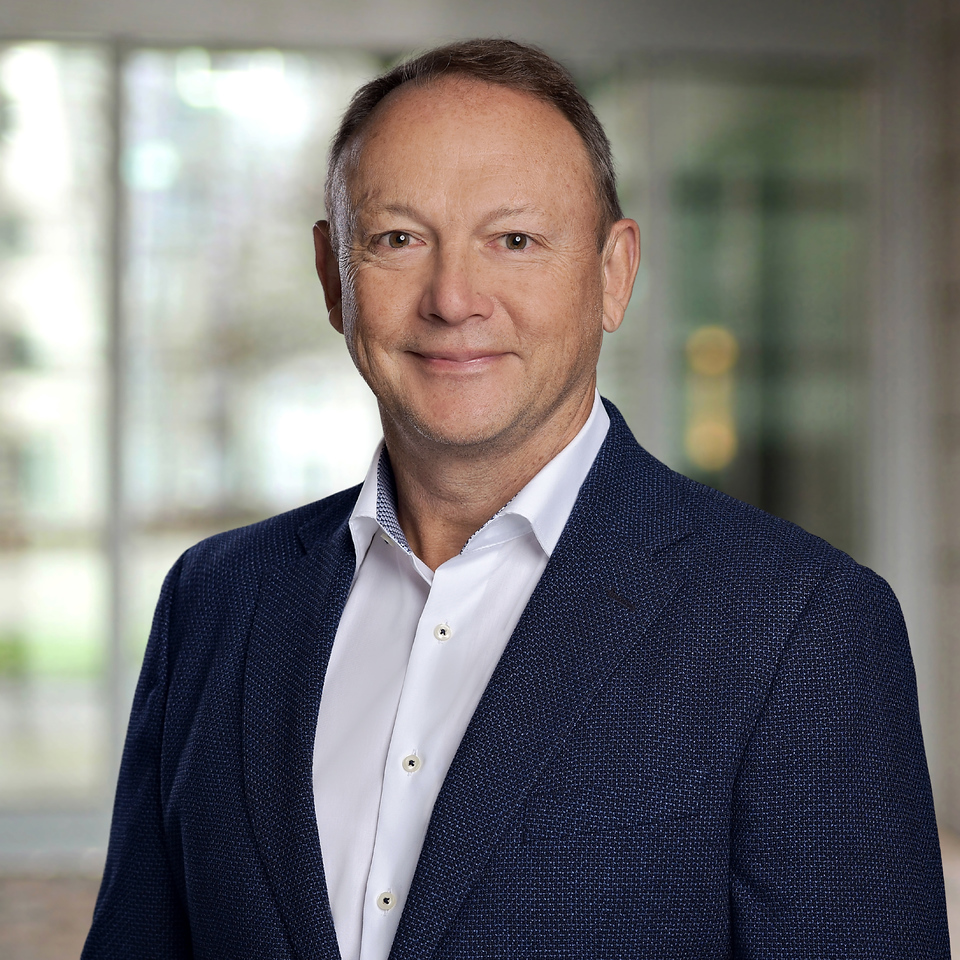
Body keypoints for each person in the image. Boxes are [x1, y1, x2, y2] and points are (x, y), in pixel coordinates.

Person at [82, 38, 950, 959]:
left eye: (515, 240)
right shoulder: (216, 600)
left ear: (613, 274)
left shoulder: (799, 626)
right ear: (335, 279)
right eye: (398, 239)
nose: (454, 298)